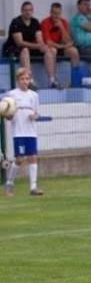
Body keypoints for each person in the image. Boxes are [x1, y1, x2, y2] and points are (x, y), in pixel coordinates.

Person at [3, 68, 44, 197]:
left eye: (27, 79)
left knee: (33, 157)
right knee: (19, 159)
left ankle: (33, 187)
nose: (25, 81)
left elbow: (37, 113)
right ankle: (9, 183)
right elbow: (7, 114)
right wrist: (9, 114)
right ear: (17, 80)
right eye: (22, 79)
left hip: (31, 132)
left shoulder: (34, 95)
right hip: (19, 132)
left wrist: (35, 116)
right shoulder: (11, 95)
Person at [2, 1, 57, 88]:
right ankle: (30, 81)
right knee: (25, 50)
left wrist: (43, 47)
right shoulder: (16, 22)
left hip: (30, 47)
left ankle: (52, 80)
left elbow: (39, 39)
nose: (28, 12)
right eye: (26, 10)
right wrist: (37, 46)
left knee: (50, 50)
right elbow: (19, 42)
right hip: (12, 48)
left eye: (30, 10)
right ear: (22, 11)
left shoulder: (35, 22)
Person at [40, 2, 81, 83]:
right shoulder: (45, 22)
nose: (56, 16)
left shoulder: (63, 22)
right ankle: (52, 79)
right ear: (50, 12)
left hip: (61, 48)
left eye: (58, 13)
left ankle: (76, 80)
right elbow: (48, 42)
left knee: (74, 51)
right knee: (53, 50)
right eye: (54, 13)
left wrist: (62, 28)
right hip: (51, 48)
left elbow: (68, 41)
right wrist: (62, 46)